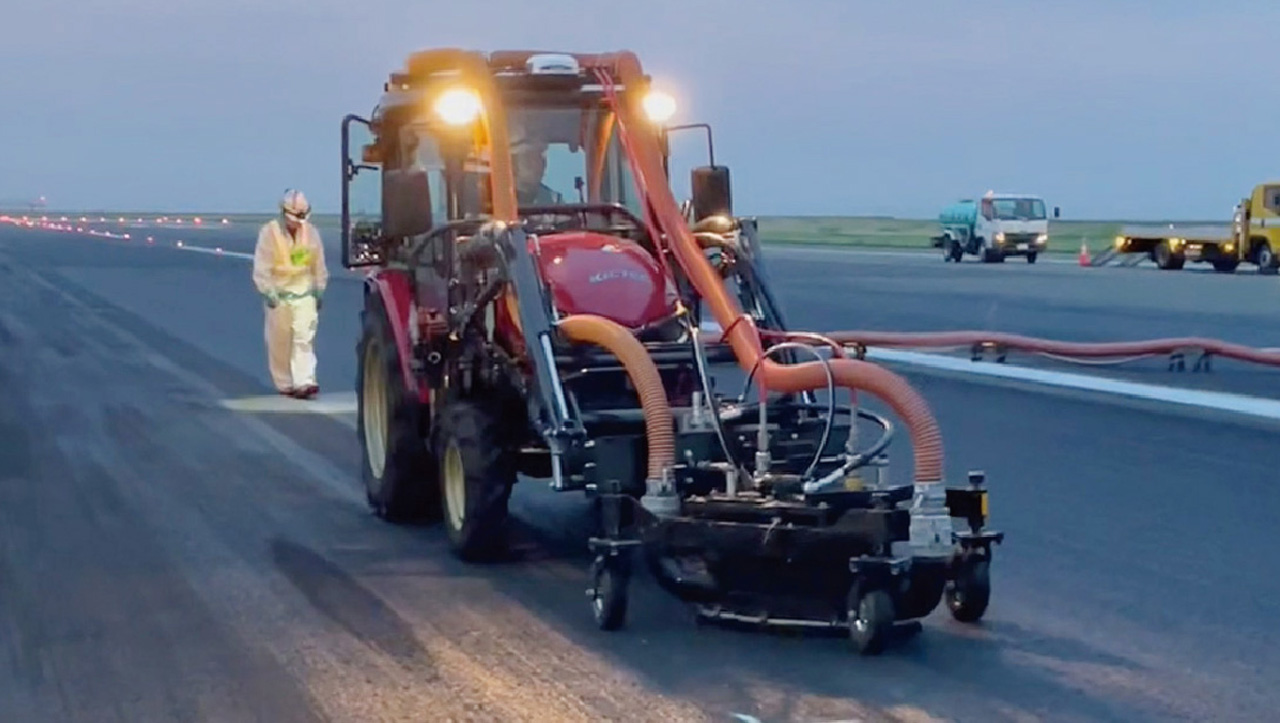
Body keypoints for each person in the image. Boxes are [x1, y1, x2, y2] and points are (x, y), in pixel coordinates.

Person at [252, 189, 329, 399]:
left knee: (304, 337)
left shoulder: (311, 232)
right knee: (280, 341)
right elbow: (262, 266)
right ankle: (285, 383)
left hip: (304, 292)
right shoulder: (269, 233)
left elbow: (318, 264)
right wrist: (268, 292)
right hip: (279, 294)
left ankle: (305, 381)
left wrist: (319, 288)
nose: (298, 223)